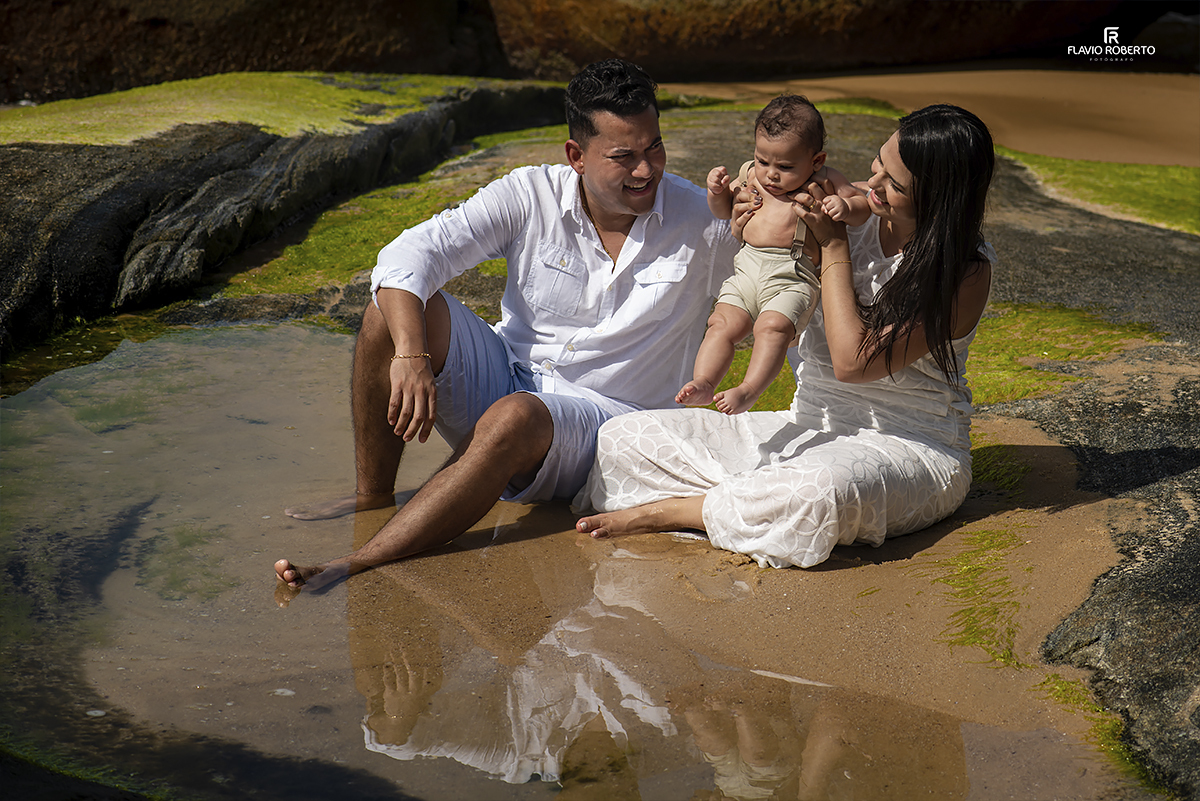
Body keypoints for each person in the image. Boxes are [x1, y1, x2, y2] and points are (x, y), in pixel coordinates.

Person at [275, 59, 737, 589]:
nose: (645, 170)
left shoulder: (706, 219)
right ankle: (373, 499)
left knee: (515, 415)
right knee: (392, 310)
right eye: (623, 156)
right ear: (576, 157)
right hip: (509, 377)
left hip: (613, 426)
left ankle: (357, 562)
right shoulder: (530, 194)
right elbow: (408, 255)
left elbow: (782, 285)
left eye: (654, 147)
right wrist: (410, 353)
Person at [574, 104, 996, 569]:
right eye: (879, 164)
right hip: (810, 424)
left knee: (814, 494)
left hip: (907, 446)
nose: (872, 184)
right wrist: (744, 224)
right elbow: (766, 270)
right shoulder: (846, 207)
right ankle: (744, 502)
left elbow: (853, 363)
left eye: (894, 185)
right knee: (623, 438)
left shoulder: (962, 271)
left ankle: (679, 511)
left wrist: (833, 245)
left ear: (940, 198)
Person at [676, 95, 868, 415]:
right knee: (721, 323)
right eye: (763, 161)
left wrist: (846, 207)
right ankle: (704, 382)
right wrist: (717, 191)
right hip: (747, 266)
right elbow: (725, 212)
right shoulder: (750, 173)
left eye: (785, 166)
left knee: (773, 327)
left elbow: (860, 206)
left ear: (816, 161)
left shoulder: (825, 179)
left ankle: (749, 390)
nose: (771, 175)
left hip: (792, 275)